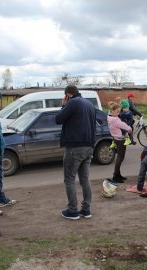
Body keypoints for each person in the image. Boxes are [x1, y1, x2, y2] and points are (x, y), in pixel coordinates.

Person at [55, 85, 96, 220]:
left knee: (69, 179)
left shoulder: (72, 102)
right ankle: (86, 209)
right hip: (89, 146)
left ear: (67, 94)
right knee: (84, 179)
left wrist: (63, 105)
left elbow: (58, 119)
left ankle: (72, 211)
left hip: (75, 147)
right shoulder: (89, 104)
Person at [107, 101, 132, 183]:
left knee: (119, 158)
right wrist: (130, 129)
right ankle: (115, 176)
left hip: (115, 138)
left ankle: (118, 174)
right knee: (120, 158)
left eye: (119, 111)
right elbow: (125, 126)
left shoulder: (109, 116)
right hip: (121, 140)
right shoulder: (115, 120)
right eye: (117, 112)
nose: (118, 113)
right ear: (112, 111)